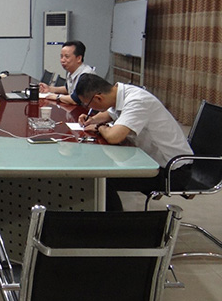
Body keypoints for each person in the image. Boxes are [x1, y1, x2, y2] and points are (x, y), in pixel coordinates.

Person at [75, 73, 193, 211]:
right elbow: (109, 114)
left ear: (98, 98)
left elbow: (114, 137)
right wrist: (93, 119)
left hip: (172, 171)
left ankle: (113, 222)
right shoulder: (119, 93)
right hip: (151, 161)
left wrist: (99, 127)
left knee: (101, 179)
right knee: (100, 169)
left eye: (87, 104)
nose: (88, 107)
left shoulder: (137, 101)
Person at [39, 41, 94, 105]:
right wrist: (50, 89)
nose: (62, 60)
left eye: (67, 57)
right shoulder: (72, 72)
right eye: (61, 56)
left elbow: (75, 100)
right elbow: (68, 89)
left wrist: (57, 97)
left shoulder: (86, 75)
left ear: (79, 58)